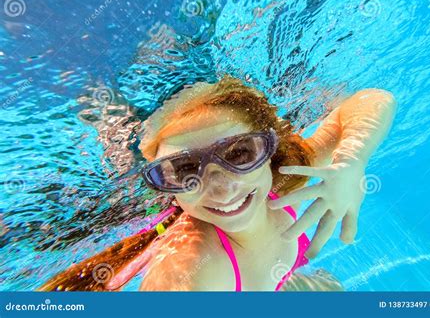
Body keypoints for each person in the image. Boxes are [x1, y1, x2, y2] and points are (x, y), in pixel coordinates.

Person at [39, 76, 396, 291]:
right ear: (166, 185)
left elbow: (373, 100)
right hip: (145, 193)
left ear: (269, 152)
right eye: (183, 169)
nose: (223, 188)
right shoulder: (194, 270)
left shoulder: (284, 179)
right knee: (119, 135)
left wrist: (351, 163)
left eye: (240, 154)